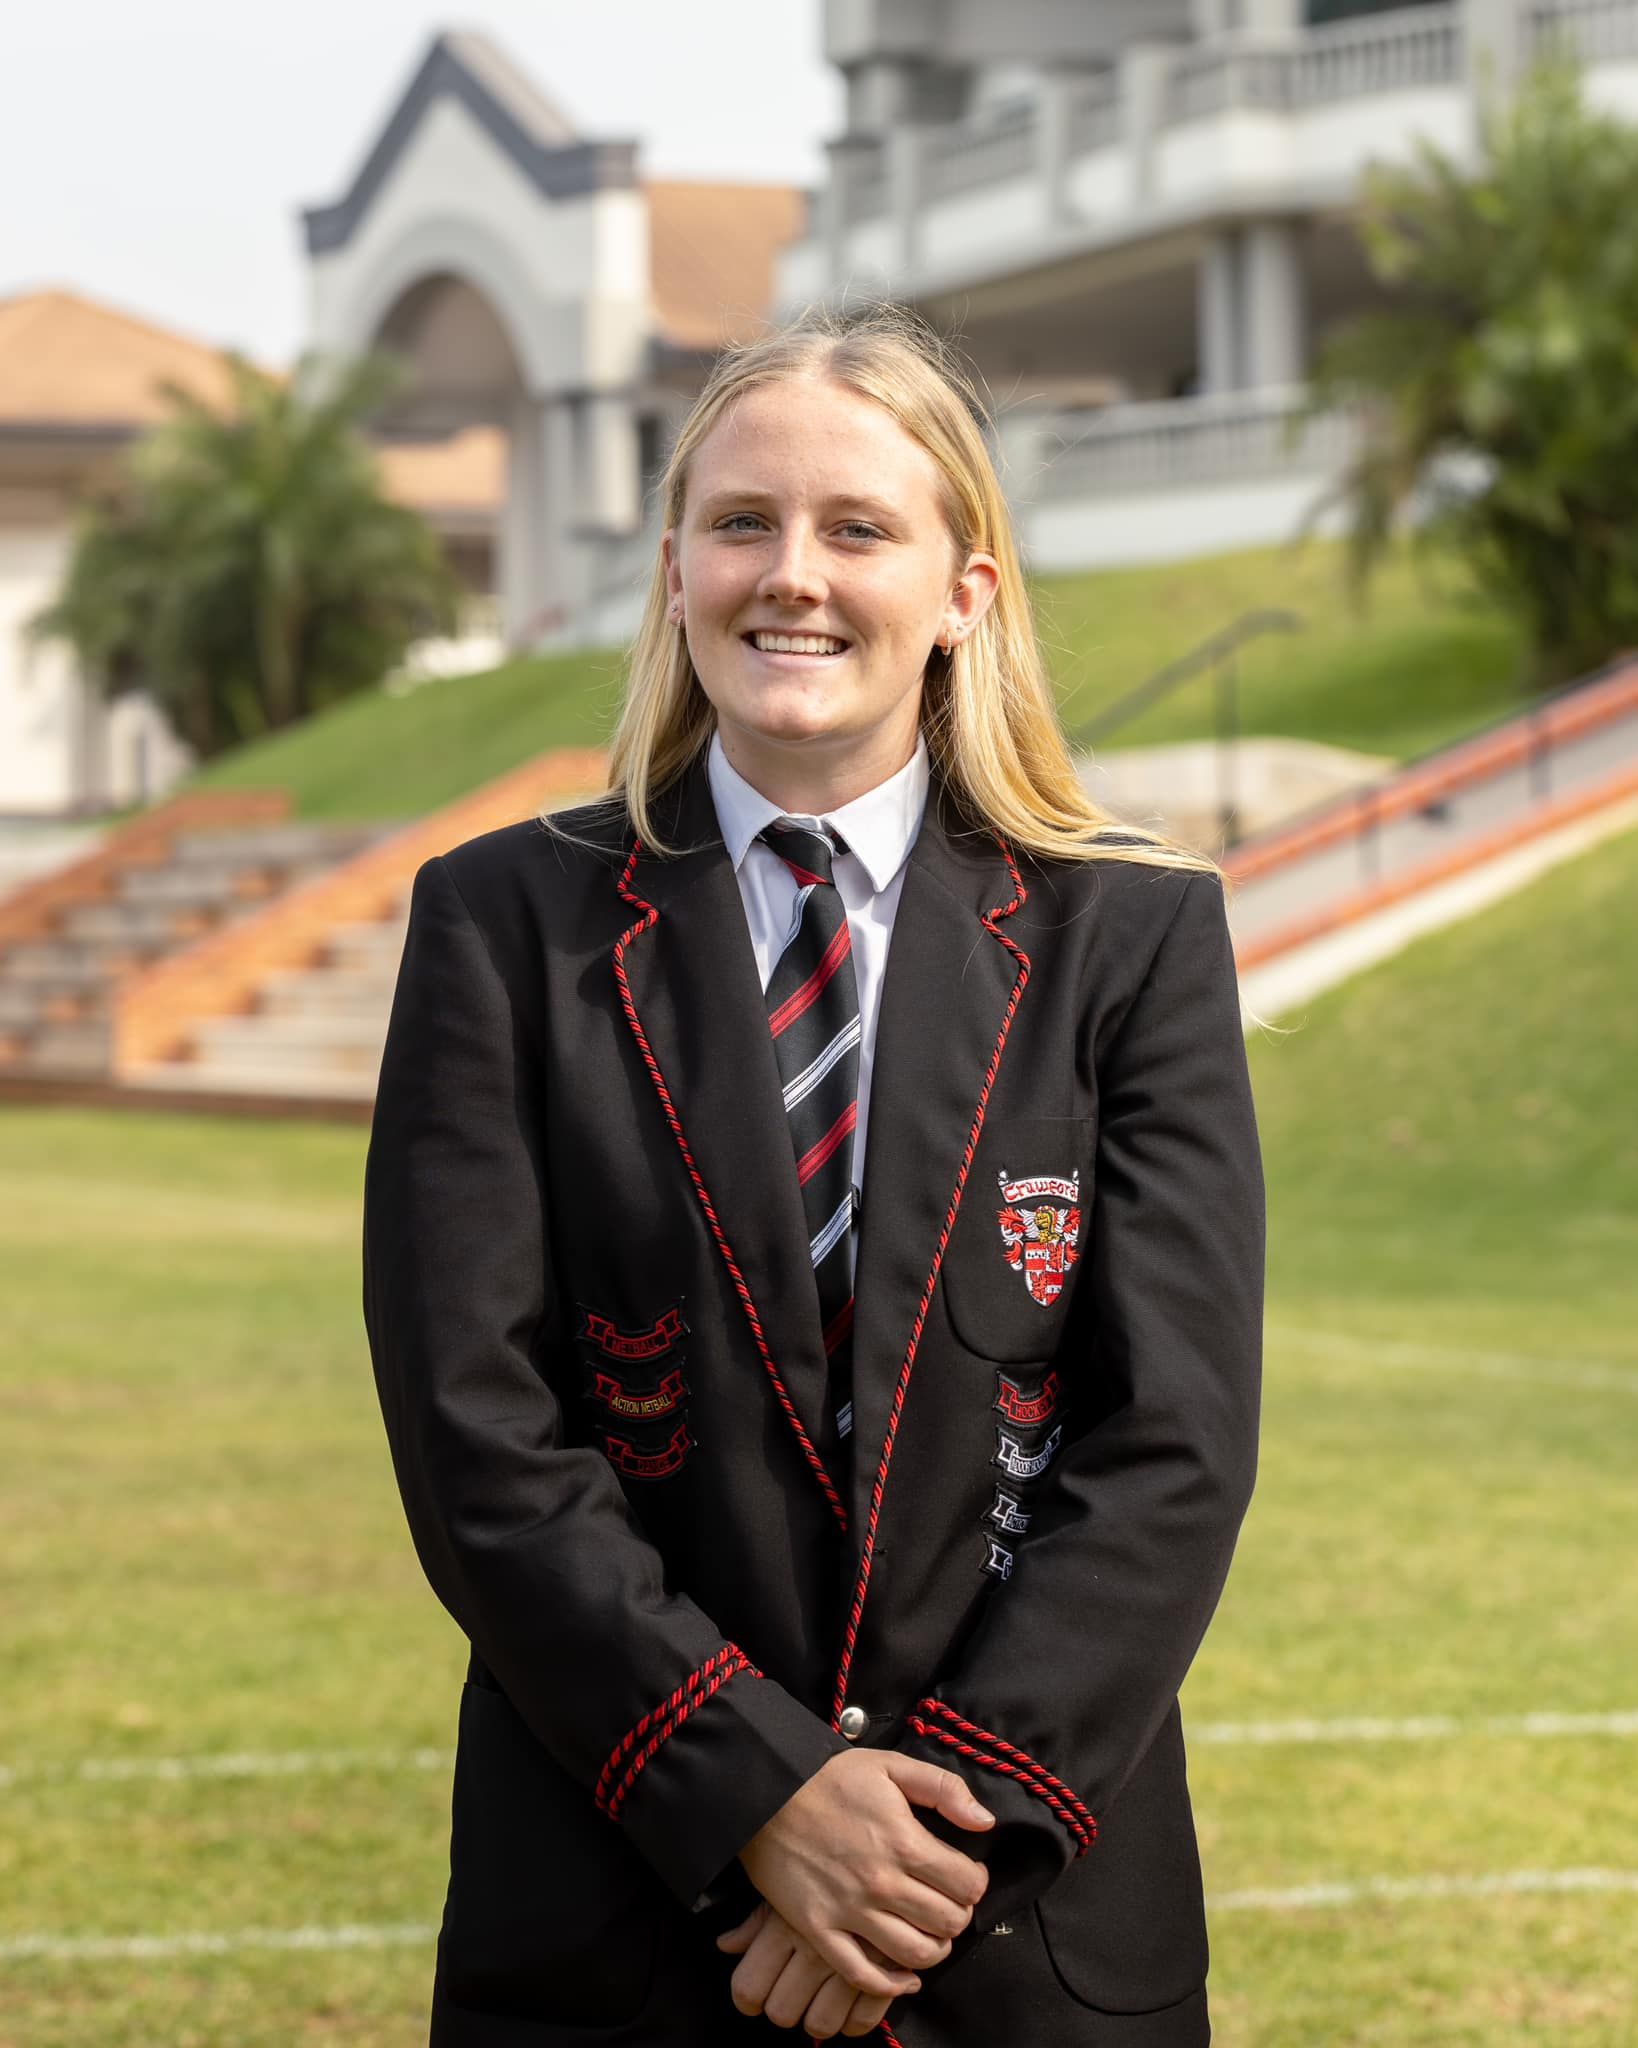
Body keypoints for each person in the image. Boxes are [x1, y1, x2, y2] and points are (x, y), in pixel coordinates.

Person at [362, 301, 1264, 2046]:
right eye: (741, 523)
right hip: (627, 1914)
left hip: (1020, 1937)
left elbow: (1172, 1448)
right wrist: (752, 1800)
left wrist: (924, 1850)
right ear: (676, 567)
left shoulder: (1133, 939)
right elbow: (478, 1437)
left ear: (960, 594)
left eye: (858, 528)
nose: (795, 575)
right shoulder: (501, 926)